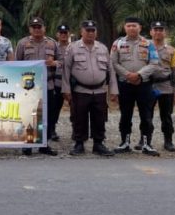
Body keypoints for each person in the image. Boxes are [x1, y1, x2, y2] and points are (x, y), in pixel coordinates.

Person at [62, 19, 118, 156]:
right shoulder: (73, 48)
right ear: (82, 32)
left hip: (99, 90)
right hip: (80, 90)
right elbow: (66, 70)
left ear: (96, 32)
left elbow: (110, 70)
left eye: (93, 31)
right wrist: (66, 89)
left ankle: (98, 144)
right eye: (88, 31)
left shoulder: (103, 48)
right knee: (78, 117)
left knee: (100, 117)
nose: (90, 33)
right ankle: (79, 144)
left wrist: (114, 90)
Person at [111, 16, 161, 155]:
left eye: (134, 25)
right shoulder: (118, 43)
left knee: (146, 115)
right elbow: (113, 63)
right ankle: (124, 143)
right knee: (125, 115)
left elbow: (154, 63)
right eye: (129, 26)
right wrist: (128, 75)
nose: (131, 28)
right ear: (124, 27)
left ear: (140, 27)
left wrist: (139, 75)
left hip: (143, 85)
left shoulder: (149, 43)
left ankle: (147, 144)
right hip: (125, 85)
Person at [15, 17, 59, 155]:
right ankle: (28, 143)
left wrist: (54, 63)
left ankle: (44, 144)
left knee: (47, 116)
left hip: (48, 85)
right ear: (30, 29)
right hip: (29, 88)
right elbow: (17, 64)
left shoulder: (52, 43)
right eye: (34, 27)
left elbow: (61, 62)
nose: (37, 29)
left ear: (44, 28)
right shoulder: (23, 43)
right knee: (28, 115)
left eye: (39, 27)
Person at [143, 19, 175, 152]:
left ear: (165, 33)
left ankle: (168, 141)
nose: (158, 32)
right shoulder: (144, 48)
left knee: (166, 116)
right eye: (155, 30)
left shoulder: (171, 50)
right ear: (151, 32)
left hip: (166, 86)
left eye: (161, 30)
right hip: (149, 86)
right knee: (146, 115)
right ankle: (145, 140)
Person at [50, 23, 71, 141]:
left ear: (69, 34)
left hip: (72, 82)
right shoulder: (53, 46)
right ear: (57, 34)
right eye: (61, 33)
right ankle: (52, 129)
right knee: (55, 107)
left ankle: (77, 130)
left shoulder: (74, 47)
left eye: (65, 33)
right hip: (57, 82)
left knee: (76, 108)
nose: (63, 35)